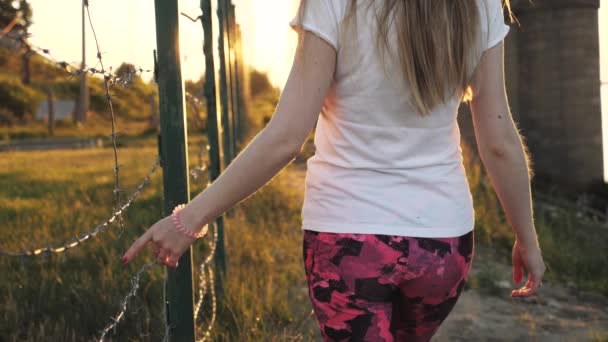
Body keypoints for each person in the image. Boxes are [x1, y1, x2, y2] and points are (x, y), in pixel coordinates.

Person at [122, 0, 547, 340]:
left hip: (348, 241)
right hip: (442, 246)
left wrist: (189, 219)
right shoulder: (482, 6)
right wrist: (526, 237)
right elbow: (498, 140)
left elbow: (288, 135)